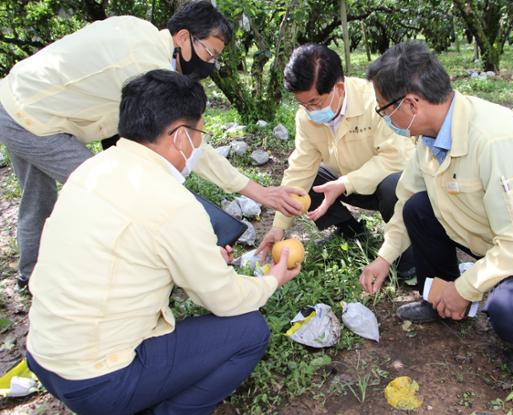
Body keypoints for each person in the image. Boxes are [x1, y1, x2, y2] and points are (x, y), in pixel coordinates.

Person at [26, 69, 300, 415]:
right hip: (95, 381)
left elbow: (127, 255)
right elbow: (225, 300)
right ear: (182, 136)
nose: (200, 145)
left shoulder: (93, 170)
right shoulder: (173, 204)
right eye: (200, 134)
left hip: (44, 356)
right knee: (249, 332)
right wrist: (272, 280)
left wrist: (195, 261)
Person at [0, 0, 303, 289]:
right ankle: (120, 276)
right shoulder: (146, 66)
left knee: (37, 199)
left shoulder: (140, 32)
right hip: (33, 118)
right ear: (183, 37)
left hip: (16, 96)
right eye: (209, 53)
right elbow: (189, 142)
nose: (210, 64)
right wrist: (258, 191)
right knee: (112, 192)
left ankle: (31, 276)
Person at [359, 41, 513, 377]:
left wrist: (466, 288)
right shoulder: (429, 136)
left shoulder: (494, 140)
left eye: (384, 109)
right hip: (497, 234)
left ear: (411, 103)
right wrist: (384, 257)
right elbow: (405, 198)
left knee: (508, 309)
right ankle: (438, 299)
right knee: (417, 208)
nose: (385, 118)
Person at [257, 44, 415, 277]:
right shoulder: (306, 118)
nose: (310, 111)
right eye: (303, 104)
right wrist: (279, 227)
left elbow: (398, 159)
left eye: (314, 103)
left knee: (394, 184)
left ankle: (407, 259)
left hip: (385, 184)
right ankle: (351, 230)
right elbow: (300, 168)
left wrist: (346, 183)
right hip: (343, 183)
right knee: (307, 181)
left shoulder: (376, 99)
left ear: (338, 88)